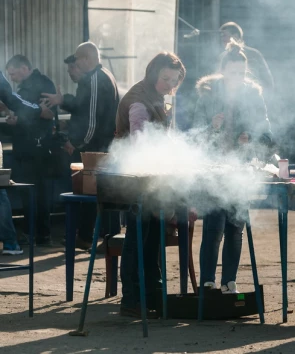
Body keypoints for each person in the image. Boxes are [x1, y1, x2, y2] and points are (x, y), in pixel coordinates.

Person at [191, 39, 273, 295]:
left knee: (235, 226)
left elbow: (265, 130)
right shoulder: (207, 92)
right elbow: (194, 133)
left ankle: (230, 281)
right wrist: (211, 127)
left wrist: (250, 136)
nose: (236, 77)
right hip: (213, 167)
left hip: (241, 167)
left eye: (241, 72)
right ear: (223, 70)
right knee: (214, 224)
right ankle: (207, 282)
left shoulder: (253, 94)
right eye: (232, 72)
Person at [115, 52, 186, 318]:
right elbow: (140, 141)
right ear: (153, 73)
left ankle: (153, 296)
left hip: (152, 179)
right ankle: (131, 298)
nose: (170, 84)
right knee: (137, 238)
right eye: (165, 78)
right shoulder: (139, 102)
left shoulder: (158, 97)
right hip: (134, 179)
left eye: (174, 80)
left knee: (153, 235)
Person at [42, 42, 120, 250]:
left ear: (87, 59)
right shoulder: (102, 76)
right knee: (102, 194)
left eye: (77, 60)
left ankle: (97, 237)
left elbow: (92, 120)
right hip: (103, 146)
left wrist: (76, 143)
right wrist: (64, 100)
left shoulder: (95, 79)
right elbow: (84, 108)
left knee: (94, 194)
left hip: (96, 148)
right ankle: (98, 237)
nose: (75, 64)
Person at [4, 55, 57, 246]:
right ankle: (41, 234)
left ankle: (32, 233)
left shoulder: (34, 88)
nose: (12, 78)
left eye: (13, 74)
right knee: (40, 193)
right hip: (39, 147)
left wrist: (20, 119)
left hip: (32, 148)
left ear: (25, 68)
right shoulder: (43, 84)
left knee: (31, 193)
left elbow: (47, 115)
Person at [219, 22, 274, 95]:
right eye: (221, 36)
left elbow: (267, 81)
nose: (222, 39)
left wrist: (261, 99)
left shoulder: (254, 55)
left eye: (224, 35)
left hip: (252, 98)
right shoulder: (223, 56)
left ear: (235, 37)